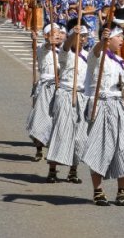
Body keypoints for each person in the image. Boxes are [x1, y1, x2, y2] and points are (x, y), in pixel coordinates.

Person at [82, 23, 124, 206]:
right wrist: (101, 41)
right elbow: (97, 51)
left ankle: (122, 191)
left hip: (119, 106)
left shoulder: (120, 63)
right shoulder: (96, 56)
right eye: (119, 36)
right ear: (109, 38)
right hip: (101, 106)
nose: (122, 40)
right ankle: (98, 190)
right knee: (100, 148)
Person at [45, 18, 90, 184]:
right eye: (80, 36)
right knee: (61, 132)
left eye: (85, 36)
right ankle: (52, 170)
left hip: (81, 96)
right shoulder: (65, 52)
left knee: (80, 136)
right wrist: (73, 35)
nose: (83, 39)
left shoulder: (88, 56)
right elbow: (66, 45)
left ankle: (73, 170)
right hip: (65, 94)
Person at [27, 23, 64, 162]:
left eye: (59, 32)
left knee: (57, 120)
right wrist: (43, 41)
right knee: (41, 118)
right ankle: (38, 149)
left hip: (60, 88)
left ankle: (54, 151)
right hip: (45, 88)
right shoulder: (43, 49)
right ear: (47, 35)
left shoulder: (64, 51)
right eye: (55, 33)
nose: (58, 35)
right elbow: (45, 45)